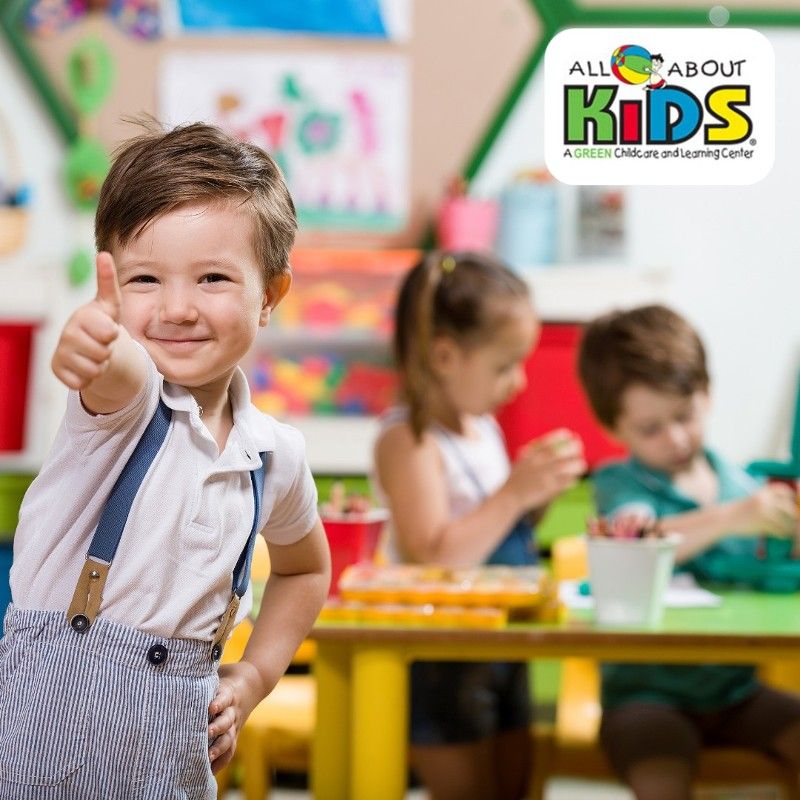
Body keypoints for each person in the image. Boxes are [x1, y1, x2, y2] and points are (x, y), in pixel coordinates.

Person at [0, 121, 330, 799]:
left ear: (269, 295)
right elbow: (116, 370)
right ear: (113, 287)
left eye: (213, 277)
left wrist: (257, 675)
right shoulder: (124, 405)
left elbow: (306, 568)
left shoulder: (275, 455)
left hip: (174, 758)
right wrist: (90, 344)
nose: (177, 309)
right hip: (41, 749)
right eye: (145, 280)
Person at [373, 251, 586, 800]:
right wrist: (514, 492)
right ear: (445, 356)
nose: (517, 383)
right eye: (505, 364)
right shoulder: (410, 440)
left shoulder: (482, 427)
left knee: (517, 784)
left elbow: (493, 528)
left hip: (503, 645)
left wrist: (533, 497)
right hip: (446, 656)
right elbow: (433, 556)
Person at [577, 303, 800, 800]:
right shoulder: (620, 485)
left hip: (737, 693)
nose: (675, 438)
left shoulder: (741, 484)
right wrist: (732, 517)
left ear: (707, 394)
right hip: (645, 699)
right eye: (651, 428)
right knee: (663, 784)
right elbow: (633, 539)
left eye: (684, 415)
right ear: (614, 430)